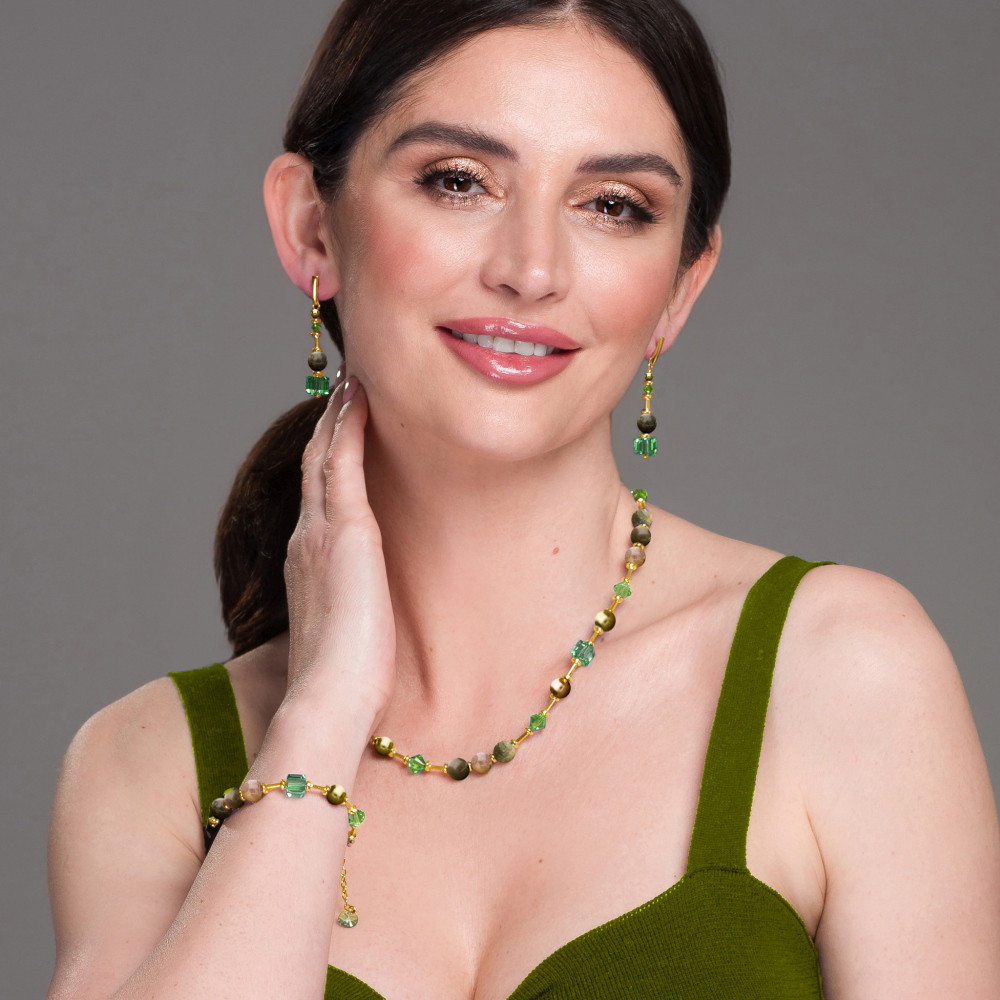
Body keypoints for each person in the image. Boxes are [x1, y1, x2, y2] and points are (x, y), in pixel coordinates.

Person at [45, 0, 1000, 997]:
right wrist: (321, 712)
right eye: (459, 181)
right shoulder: (143, 764)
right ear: (310, 227)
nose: (531, 270)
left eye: (613, 204)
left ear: (680, 287)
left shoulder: (845, 672)